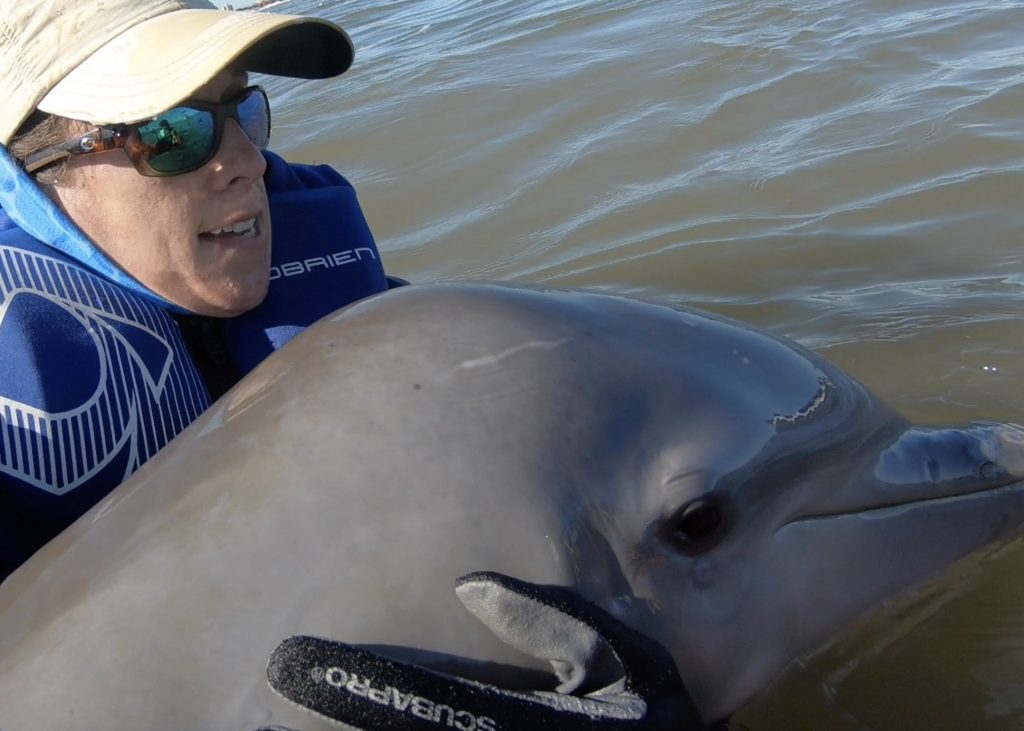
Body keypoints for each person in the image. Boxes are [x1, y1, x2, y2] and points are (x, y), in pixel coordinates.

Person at [0, 0, 391, 580]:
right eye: (172, 134)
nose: (248, 161)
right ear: (35, 173)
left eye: (244, 110)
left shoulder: (324, 258)